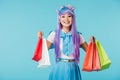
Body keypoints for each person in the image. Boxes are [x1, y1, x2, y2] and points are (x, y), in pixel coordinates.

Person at [38, 4, 94, 80]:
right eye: (63, 16)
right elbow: (43, 50)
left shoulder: (78, 36)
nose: (66, 19)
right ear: (59, 19)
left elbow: (90, 52)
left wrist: (92, 43)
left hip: (73, 69)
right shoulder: (54, 34)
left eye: (69, 16)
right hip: (59, 68)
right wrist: (40, 39)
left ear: (73, 18)